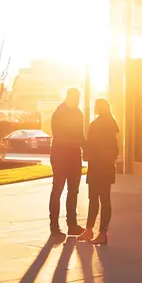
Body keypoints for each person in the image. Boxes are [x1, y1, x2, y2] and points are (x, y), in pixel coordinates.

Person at [78, 98, 119, 246]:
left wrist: (86, 153)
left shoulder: (95, 125)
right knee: (104, 200)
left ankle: (93, 231)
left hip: (97, 167)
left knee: (94, 199)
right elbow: (116, 147)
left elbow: (90, 145)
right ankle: (100, 232)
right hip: (106, 167)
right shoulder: (113, 124)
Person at [49, 87, 86, 240]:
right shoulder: (59, 113)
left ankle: (72, 224)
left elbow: (80, 134)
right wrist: (78, 142)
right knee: (57, 189)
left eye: (79, 100)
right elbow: (59, 137)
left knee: (73, 190)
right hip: (60, 155)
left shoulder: (78, 113)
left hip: (74, 156)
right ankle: (54, 227)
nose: (78, 102)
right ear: (69, 98)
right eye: (76, 99)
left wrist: (88, 149)